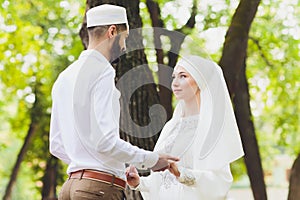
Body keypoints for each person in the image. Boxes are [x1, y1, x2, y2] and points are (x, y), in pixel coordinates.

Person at [49, 4, 178, 200]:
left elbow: (56, 145)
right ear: (112, 32)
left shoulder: (64, 77)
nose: (125, 47)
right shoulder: (102, 71)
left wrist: (99, 165)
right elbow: (104, 141)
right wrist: (152, 160)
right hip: (97, 189)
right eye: (124, 38)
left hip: (70, 187)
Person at [126, 55, 244, 199]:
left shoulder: (210, 128)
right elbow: (163, 180)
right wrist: (139, 183)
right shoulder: (171, 127)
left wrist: (181, 174)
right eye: (174, 76)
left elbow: (220, 181)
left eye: (183, 76)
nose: (175, 83)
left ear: (201, 82)